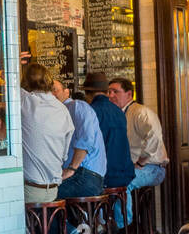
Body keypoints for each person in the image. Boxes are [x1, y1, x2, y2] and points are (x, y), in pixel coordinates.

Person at [106, 76, 168, 198]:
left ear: (129, 94)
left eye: (115, 91)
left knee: (122, 183)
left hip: (152, 168)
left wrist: (140, 163)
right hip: (129, 167)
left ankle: (124, 218)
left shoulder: (140, 112)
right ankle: (106, 217)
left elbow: (154, 137)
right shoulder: (115, 114)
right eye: (109, 92)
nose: (110, 95)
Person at [20, 63, 72, 205]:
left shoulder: (25, 102)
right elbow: (64, 154)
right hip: (53, 191)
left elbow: (11, 88)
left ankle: (25, 228)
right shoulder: (62, 109)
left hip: (30, 190)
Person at [53, 78, 106, 200]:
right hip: (78, 174)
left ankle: (68, 219)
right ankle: (72, 219)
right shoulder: (55, 113)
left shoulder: (77, 106)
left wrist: (72, 168)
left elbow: (86, 140)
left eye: (54, 90)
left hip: (85, 175)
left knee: (47, 196)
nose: (51, 94)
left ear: (67, 92)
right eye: (48, 91)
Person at [81, 71, 133, 192]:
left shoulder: (91, 112)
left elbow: (86, 145)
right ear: (106, 92)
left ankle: (95, 211)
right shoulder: (119, 112)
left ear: (87, 94)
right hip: (124, 175)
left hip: (104, 177)